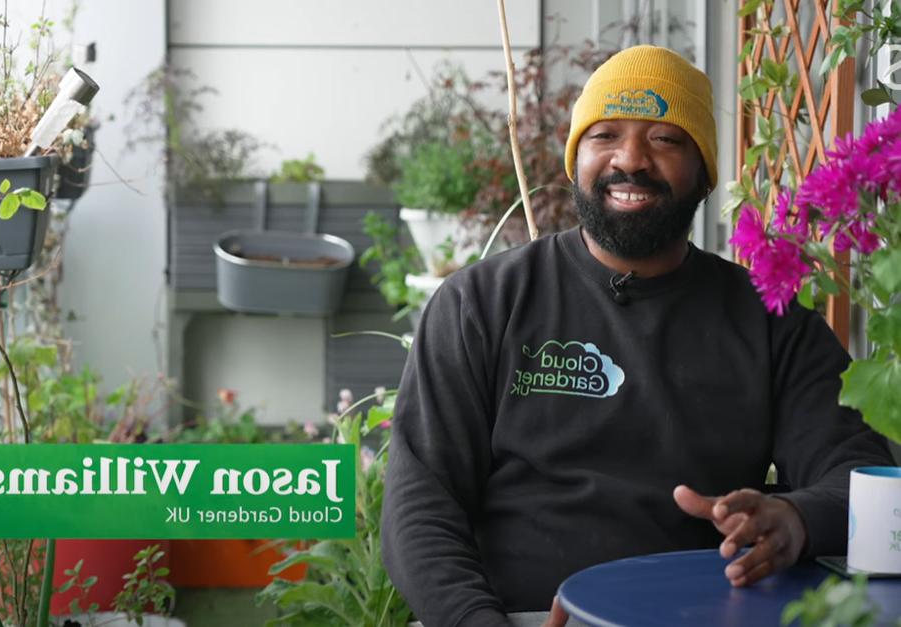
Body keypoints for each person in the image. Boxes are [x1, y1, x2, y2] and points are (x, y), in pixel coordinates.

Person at [380, 45, 894, 627]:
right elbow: (419, 505)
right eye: (604, 135)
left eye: (666, 139)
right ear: (575, 160)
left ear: (704, 175)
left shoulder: (770, 322)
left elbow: (858, 475)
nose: (631, 159)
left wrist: (795, 518)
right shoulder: (483, 303)